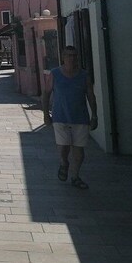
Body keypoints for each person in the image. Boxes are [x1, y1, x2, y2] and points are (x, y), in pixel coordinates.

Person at [42, 45, 98, 189]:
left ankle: (75, 176)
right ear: (63, 57)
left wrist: (95, 115)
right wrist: (46, 115)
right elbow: (46, 93)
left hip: (80, 117)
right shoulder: (55, 74)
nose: (71, 58)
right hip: (60, 116)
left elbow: (90, 95)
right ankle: (64, 162)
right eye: (68, 55)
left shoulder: (84, 75)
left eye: (74, 56)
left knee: (79, 149)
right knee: (63, 147)